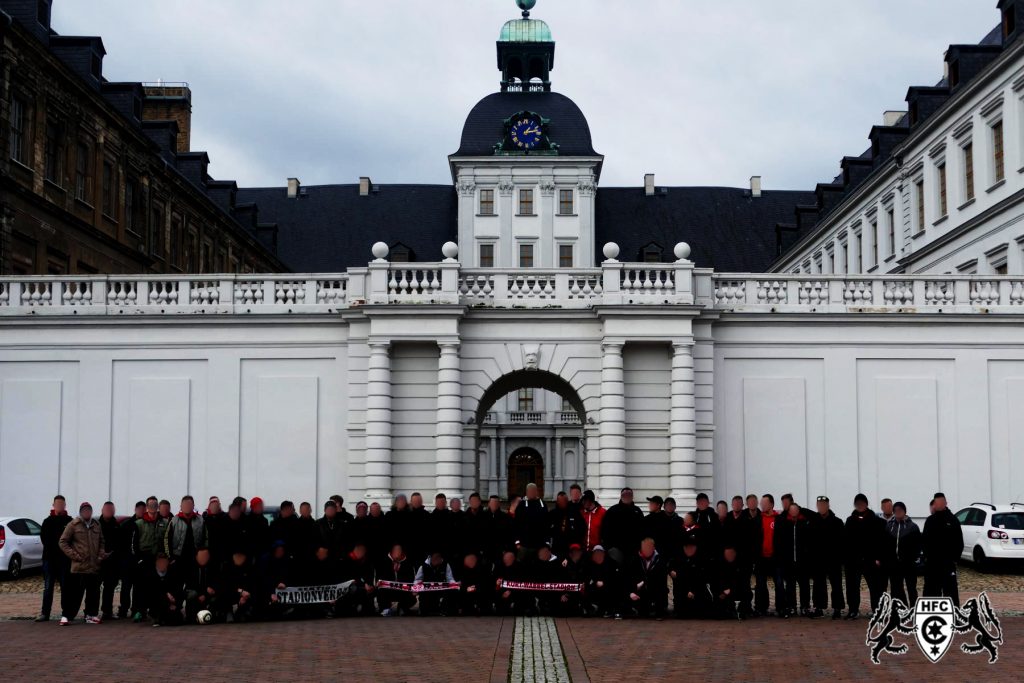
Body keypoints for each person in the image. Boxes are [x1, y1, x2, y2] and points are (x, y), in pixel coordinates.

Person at [58, 502, 107, 625]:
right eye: (84, 510)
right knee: (74, 593)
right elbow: (63, 542)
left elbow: (102, 541)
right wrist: (75, 556)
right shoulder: (73, 525)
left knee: (93, 593)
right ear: (81, 512)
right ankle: (67, 615)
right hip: (79, 566)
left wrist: (101, 553)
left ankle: (91, 615)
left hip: (93, 566)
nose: (87, 512)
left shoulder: (96, 525)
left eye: (89, 510)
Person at [844, 493, 886, 619]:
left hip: (871, 559)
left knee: (875, 587)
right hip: (853, 560)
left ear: (866, 504)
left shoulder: (877, 521)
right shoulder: (850, 520)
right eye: (857, 503)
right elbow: (846, 541)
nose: (860, 505)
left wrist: (878, 558)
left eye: (862, 503)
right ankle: (853, 609)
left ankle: (877, 610)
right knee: (852, 586)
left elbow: (880, 541)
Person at [922, 492, 963, 604]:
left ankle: (953, 616)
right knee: (931, 593)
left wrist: (954, 559)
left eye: (941, 502)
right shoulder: (930, 521)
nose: (939, 505)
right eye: (937, 502)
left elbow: (959, 542)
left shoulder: (953, 520)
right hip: (932, 564)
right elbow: (924, 541)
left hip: (948, 565)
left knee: (951, 593)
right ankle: (930, 617)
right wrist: (926, 558)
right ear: (934, 504)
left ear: (945, 503)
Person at [37, 494, 72, 622]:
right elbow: (44, 539)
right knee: (48, 587)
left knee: (65, 587)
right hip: (49, 559)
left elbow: (72, 540)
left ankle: (66, 613)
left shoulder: (69, 521)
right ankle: (45, 613)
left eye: (62, 504)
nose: (59, 506)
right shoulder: (47, 521)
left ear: (65, 506)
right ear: (53, 505)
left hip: (64, 560)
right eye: (57, 504)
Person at [810, 495, 845, 619]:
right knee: (818, 584)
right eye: (819, 505)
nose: (822, 507)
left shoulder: (837, 522)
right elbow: (810, 541)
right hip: (818, 559)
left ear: (828, 506)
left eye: (824, 505)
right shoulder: (814, 521)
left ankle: (837, 608)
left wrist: (840, 558)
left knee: (836, 584)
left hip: (833, 559)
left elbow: (842, 542)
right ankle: (819, 607)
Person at [774, 502, 812, 618]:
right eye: (792, 510)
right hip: (788, 560)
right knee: (790, 585)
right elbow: (779, 541)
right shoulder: (784, 522)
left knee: (804, 585)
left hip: (802, 561)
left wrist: (807, 554)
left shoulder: (804, 522)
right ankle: (792, 607)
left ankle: (805, 606)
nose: (794, 512)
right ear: (789, 511)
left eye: (796, 510)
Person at [886, 502, 922, 606]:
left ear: (904, 511)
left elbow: (918, 545)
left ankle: (914, 609)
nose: (898, 512)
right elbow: (886, 544)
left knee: (911, 588)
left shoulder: (913, 527)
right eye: (895, 510)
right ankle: (901, 608)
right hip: (894, 564)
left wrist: (914, 558)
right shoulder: (889, 526)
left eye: (900, 510)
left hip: (909, 563)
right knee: (896, 588)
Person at [625, 537, 668, 618]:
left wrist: (646, 582)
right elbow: (631, 575)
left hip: (656, 587)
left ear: (653, 548)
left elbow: (661, 579)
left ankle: (660, 609)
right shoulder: (636, 559)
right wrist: (635, 587)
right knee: (643, 613)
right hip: (641, 589)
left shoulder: (660, 559)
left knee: (660, 593)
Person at [670, 538, 712, 619]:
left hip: (698, 590)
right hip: (682, 591)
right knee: (682, 614)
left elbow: (702, 578)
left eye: (692, 547)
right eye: (687, 547)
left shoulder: (701, 559)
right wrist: (686, 591)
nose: (689, 550)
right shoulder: (678, 559)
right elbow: (678, 579)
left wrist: (693, 591)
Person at [116, 501, 145, 619]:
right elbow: (120, 543)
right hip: (127, 561)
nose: (142, 512)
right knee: (126, 587)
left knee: (138, 588)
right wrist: (123, 559)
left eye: (144, 509)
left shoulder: (145, 524)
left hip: (139, 561)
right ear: (135, 509)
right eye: (140, 509)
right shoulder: (127, 524)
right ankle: (123, 609)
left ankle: (135, 609)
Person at [164, 495, 206, 572]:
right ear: (181, 506)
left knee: (193, 583)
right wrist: (170, 558)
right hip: (178, 559)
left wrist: (203, 556)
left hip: (195, 559)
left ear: (193, 506)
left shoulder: (201, 520)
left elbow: (206, 539)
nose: (187, 506)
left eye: (189, 504)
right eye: (185, 504)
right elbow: (167, 539)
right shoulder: (174, 520)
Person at [602, 487, 644, 564]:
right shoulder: (612, 511)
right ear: (621, 496)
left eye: (629, 495)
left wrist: (640, 547)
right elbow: (605, 530)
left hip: (633, 552)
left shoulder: (637, 511)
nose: (627, 497)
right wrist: (609, 547)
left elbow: (643, 530)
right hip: (616, 552)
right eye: (625, 495)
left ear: (632, 496)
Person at [753, 494, 780, 617]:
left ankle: (781, 607)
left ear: (771, 504)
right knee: (760, 584)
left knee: (779, 583)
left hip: (775, 557)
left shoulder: (778, 519)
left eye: (764, 503)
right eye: (761, 503)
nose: (762, 505)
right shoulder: (758, 519)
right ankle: (761, 607)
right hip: (761, 557)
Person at [145, 553, 185, 627]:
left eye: (164, 562)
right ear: (156, 563)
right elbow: (151, 593)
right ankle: (156, 617)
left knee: (177, 619)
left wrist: (176, 604)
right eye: (160, 562)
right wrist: (166, 596)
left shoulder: (173, 573)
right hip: (157, 604)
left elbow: (179, 590)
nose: (162, 564)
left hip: (172, 604)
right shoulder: (150, 574)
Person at [376, 543, 416, 616]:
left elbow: (411, 579)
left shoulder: (408, 563)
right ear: (391, 552)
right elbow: (379, 577)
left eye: (399, 550)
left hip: (402, 590)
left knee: (412, 596)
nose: (397, 553)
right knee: (380, 590)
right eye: (395, 551)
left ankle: (402, 608)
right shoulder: (383, 561)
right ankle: (385, 609)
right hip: (388, 590)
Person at [414, 551, 457, 616]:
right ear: (430, 558)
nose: (437, 559)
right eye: (435, 557)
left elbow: (450, 578)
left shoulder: (446, 565)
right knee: (424, 611)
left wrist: (454, 585)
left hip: (441, 589)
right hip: (426, 591)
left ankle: (444, 609)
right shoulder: (423, 566)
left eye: (438, 557)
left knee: (450, 593)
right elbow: (418, 579)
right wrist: (415, 588)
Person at [97, 501, 120, 621]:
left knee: (109, 587)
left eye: (111, 510)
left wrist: (112, 553)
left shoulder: (116, 525)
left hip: (112, 561)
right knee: (94, 587)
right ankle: (91, 612)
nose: (109, 512)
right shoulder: (96, 524)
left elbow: (119, 543)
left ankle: (107, 611)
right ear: (102, 510)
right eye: (107, 509)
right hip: (98, 561)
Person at [185, 547, 220, 623]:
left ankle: (212, 616)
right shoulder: (191, 568)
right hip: (196, 592)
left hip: (208, 594)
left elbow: (216, 583)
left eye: (206, 556)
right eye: (201, 556)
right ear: (196, 557)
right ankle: (190, 617)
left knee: (215, 597)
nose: (204, 558)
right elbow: (190, 584)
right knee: (192, 594)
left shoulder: (213, 567)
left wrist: (206, 593)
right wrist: (202, 592)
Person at [583, 545, 620, 617]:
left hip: (607, 587)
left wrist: (604, 582)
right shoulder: (589, 564)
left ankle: (609, 609)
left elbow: (614, 577)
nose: (598, 555)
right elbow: (586, 576)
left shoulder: (611, 563)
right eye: (596, 553)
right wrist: (595, 581)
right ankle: (589, 608)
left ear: (603, 553)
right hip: (593, 587)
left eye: (600, 552)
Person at [514, 483, 549, 557]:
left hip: (540, 545)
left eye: (533, 491)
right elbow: (516, 524)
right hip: (524, 545)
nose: (532, 493)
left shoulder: (543, 505)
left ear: (536, 492)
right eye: (530, 491)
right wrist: (517, 542)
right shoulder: (521, 505)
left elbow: (546, 525)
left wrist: (547, 543)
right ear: (526, 492)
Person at [222, 548, 256, 623]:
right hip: (232, 596)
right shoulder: (227, 568)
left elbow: (252, 584)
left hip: (245, 597)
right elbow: (227, 585)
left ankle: (243, 611)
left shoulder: (249, 569)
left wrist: (246, 595)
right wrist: (241, 592)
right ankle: (229, 612)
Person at [549, 491, 584, 557]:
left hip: (571, 548)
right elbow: (546, 529)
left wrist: (577, 543)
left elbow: (582, 528)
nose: (563, 503)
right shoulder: (552, 514)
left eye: (564, 500)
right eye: (560, 501)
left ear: (567, 500)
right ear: (557, 501)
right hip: (556, 548)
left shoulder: (574, 512)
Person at [203, 496, 229, 566]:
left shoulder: (225, 516)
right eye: (212, 504)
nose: (214, 506)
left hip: (222, 549)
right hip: (209, 549)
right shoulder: (205, 517)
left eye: (216, 504)